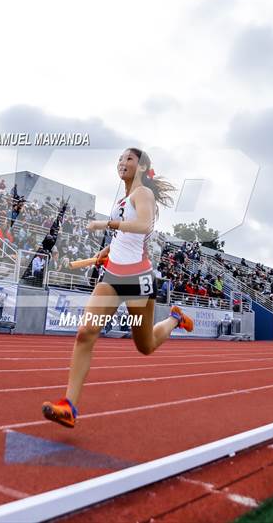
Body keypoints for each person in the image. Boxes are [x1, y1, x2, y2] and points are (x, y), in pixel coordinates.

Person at [42, 148, 194, 428]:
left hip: (138, 278)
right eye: (120, 159)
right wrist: (109, 248)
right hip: (113, 276)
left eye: (129, 159)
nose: (122, 163)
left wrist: (107, 223)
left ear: (142, 166)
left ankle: (174, 318)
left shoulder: (143, 195)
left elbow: (144, 225)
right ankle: (69, 406)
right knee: (85, 333)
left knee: (145, 346)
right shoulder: (124, 198)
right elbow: (127, 234)